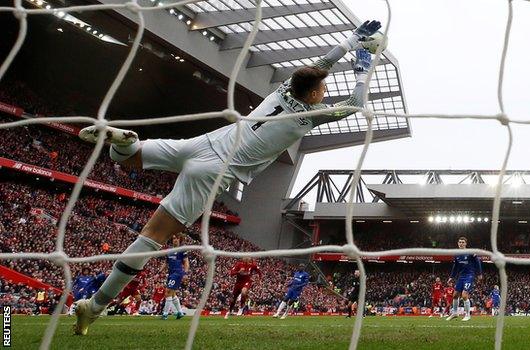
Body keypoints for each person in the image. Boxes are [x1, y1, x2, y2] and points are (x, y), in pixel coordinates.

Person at [73, 19, 382, 335]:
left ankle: (126, 140)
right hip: (214, 172)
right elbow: (355, 104)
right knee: (153, 236)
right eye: (324, 89)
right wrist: (362, 69)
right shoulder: (306, 118)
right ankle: (94, 307)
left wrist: (351, 41)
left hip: (202, 144)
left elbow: (319, 66)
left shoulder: (285, 88)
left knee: (128, 156)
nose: (325, 91)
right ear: (315, 94)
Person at [446, 236, 482, 322]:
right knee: (455, 295)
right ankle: (455, 313)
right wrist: (451, 277)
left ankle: (467, 315)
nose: (461, 244)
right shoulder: (457, 254)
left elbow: (477, 262)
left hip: (469, 275)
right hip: (461, 276)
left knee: (464, 295)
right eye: (460, 242)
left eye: (463, 242)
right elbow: (455, 267)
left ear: (466, 244)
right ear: (458, 244)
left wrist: (479, 273)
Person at [161, 235, 189, 320]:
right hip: (170, 273)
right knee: (173, 294)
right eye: (173, 238)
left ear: (180, 240)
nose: (175, 240)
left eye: (177, 238)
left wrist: (185, 273)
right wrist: (160, 271)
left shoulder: (182, 250)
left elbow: (186, 262)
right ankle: (180, 312)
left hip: (177, 273)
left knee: (168, 292)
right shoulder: (169, 250)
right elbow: (166, 263)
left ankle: (165, 314)